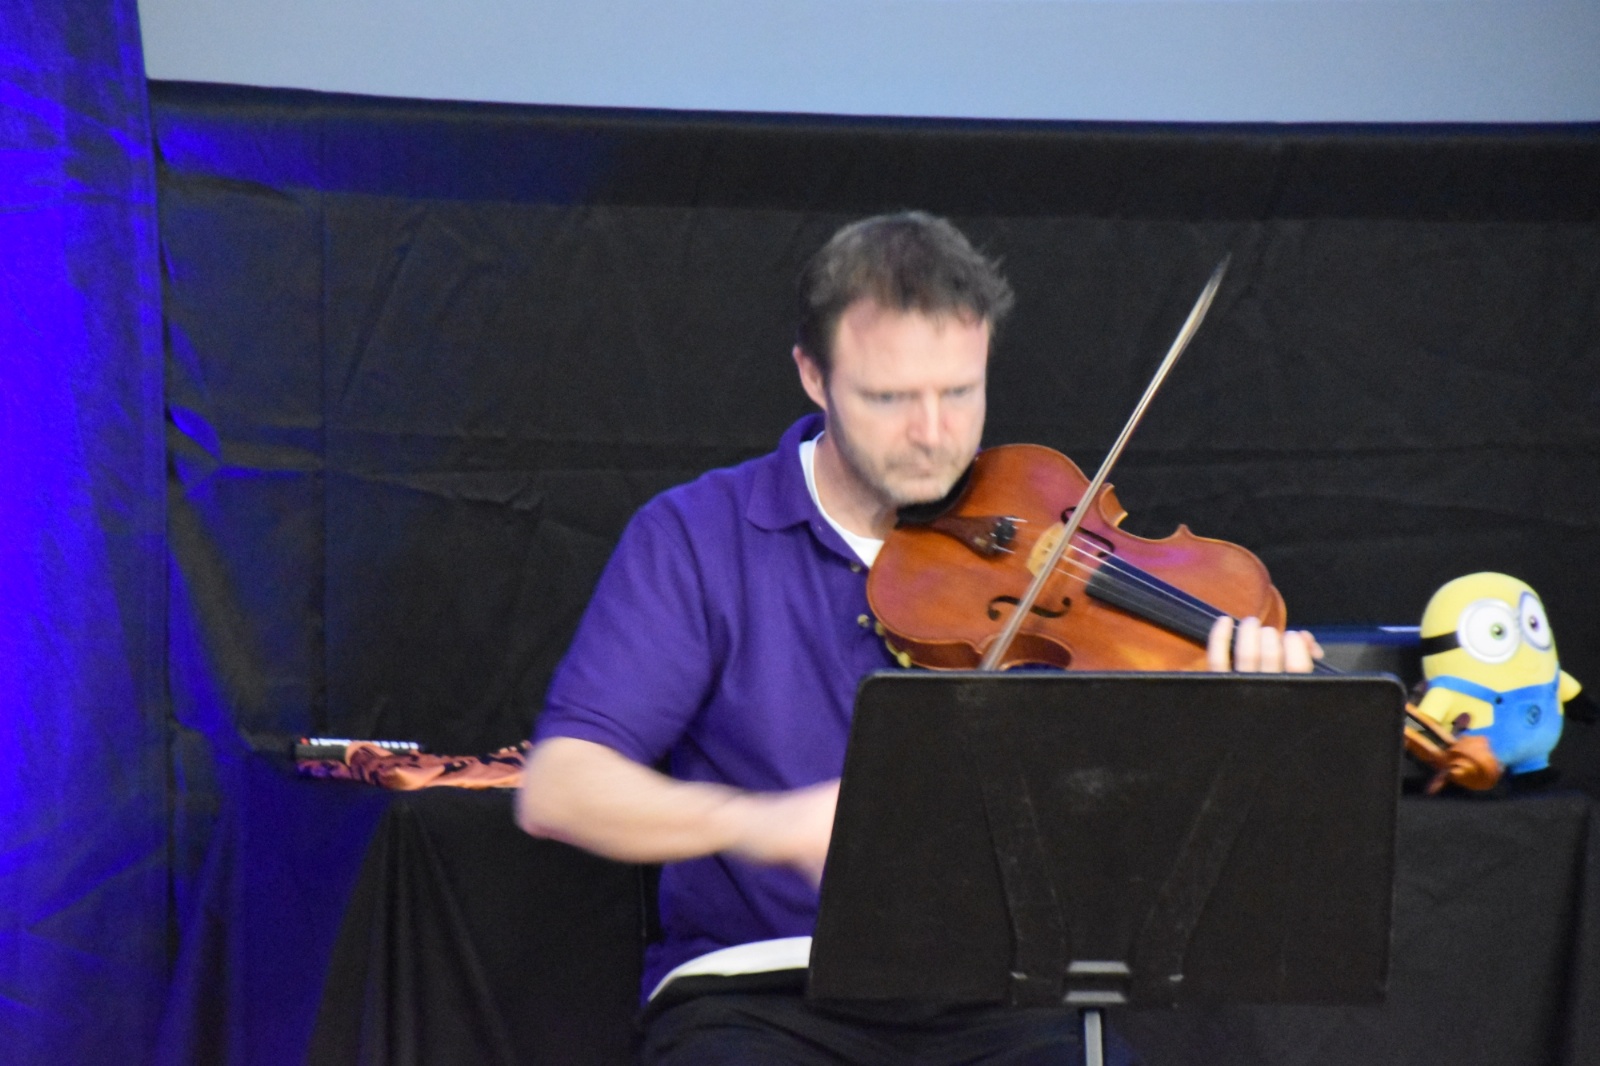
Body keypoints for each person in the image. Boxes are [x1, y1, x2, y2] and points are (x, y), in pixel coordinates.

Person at [517, 212, 1319, 1064]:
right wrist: (765, 825)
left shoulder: (1049, 538)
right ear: (813, 376)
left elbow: (1135, 832)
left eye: (959, 392)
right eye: (890, 398)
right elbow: (560, 788)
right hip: (761, 996)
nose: (934, 434)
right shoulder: (696, 535)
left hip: (1004, 999)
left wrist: (1238, 714)